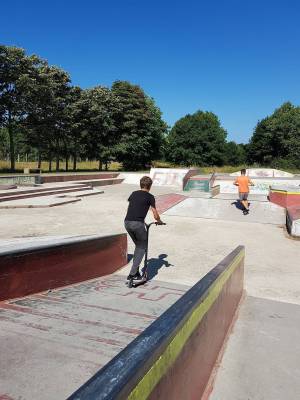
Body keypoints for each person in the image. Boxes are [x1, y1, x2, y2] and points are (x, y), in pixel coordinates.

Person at [124, 176, 163, 281]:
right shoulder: (150, 197)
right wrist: (159, 221)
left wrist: (140, 219)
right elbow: (154, 213)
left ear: (140, 184)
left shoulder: (133, 193)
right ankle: (132, 274)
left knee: (138, 246)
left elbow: (131, 207)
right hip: (138, 224)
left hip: (127, 222)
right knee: (142, 247)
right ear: (150, 186)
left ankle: (136, 272)